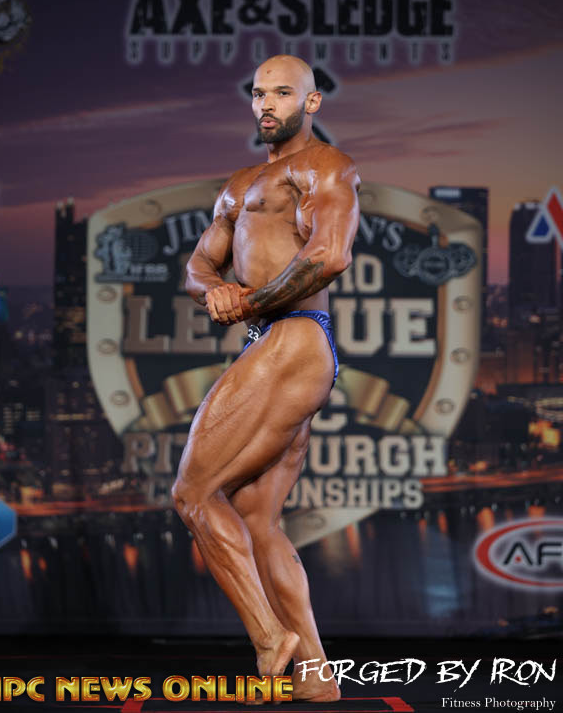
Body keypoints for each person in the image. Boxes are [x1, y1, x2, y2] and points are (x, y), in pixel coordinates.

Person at [172, 55, 360, 702]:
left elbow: (329, 255)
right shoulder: (238, 184)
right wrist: (216, 290)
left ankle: (268, 638)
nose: (267, 104)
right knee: (257, 521)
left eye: (283, 92)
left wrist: (248, 300)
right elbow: (198, 265)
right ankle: (316, 675)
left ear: (311, 102)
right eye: (259, 93)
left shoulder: (326, 166)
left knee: (194, 494)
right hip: (270, 339)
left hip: (295, 336)